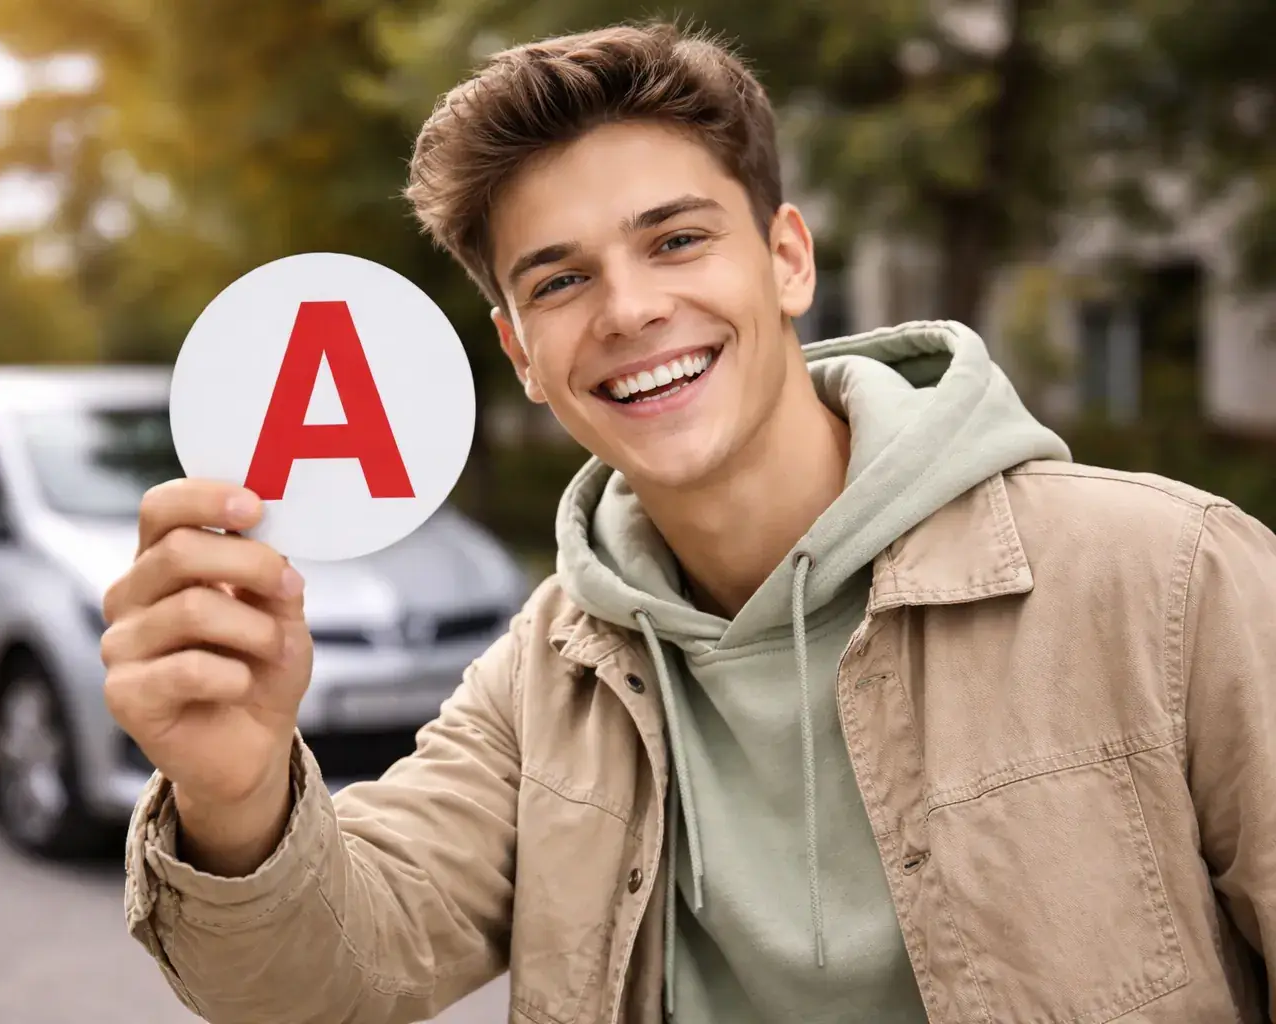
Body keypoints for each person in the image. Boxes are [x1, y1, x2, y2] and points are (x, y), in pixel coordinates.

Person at [100, 20, 1275, 1024]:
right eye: (558, 280)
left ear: (787, 260)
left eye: (676, 239)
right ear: (520, 354)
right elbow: (322, 976)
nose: (631, 308)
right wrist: (236, 790)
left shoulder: (1173, 580)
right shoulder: (542, 682)